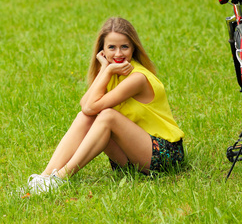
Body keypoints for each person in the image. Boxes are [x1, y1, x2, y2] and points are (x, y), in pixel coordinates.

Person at [23, 17, 184, 195]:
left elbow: (90, 107)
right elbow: (85, 107)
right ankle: (44, 178)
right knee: (86, 117)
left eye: (124, 47)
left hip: (164, 154)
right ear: (102, 50)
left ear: (133, 48)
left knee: (107, 116)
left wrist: (106, 70)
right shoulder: (113, 71)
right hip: (132, 155)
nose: (118, 54)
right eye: (111, 47)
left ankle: (60, 178)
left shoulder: (137, 78)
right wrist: (105, 70)